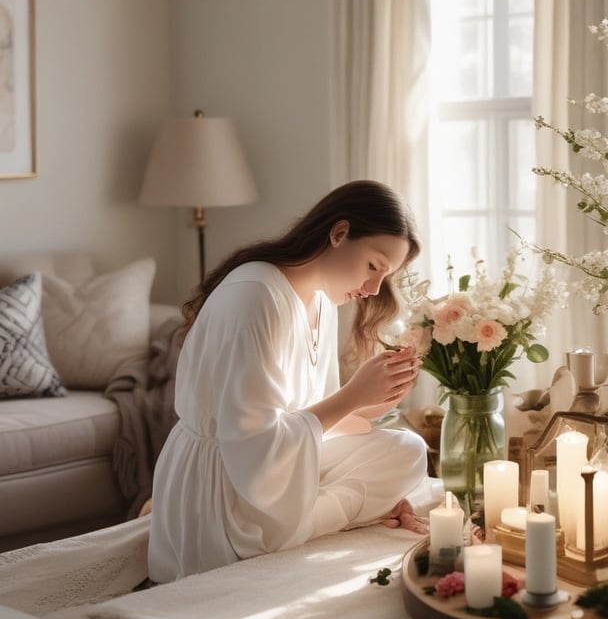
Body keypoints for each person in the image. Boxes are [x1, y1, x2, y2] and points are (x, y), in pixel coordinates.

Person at [148, 180, 430, 582]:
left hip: (273, 466)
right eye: (373, 266)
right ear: (339, 233)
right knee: (363, 478)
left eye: (384, 277)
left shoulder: (321, 302)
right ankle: (299, 526)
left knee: (407, 450)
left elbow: (313, 423)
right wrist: (352, 396)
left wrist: (376, 400)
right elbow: (254, 448)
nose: (371, 290)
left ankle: (305, 521)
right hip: (229, 482)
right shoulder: (256, 296)